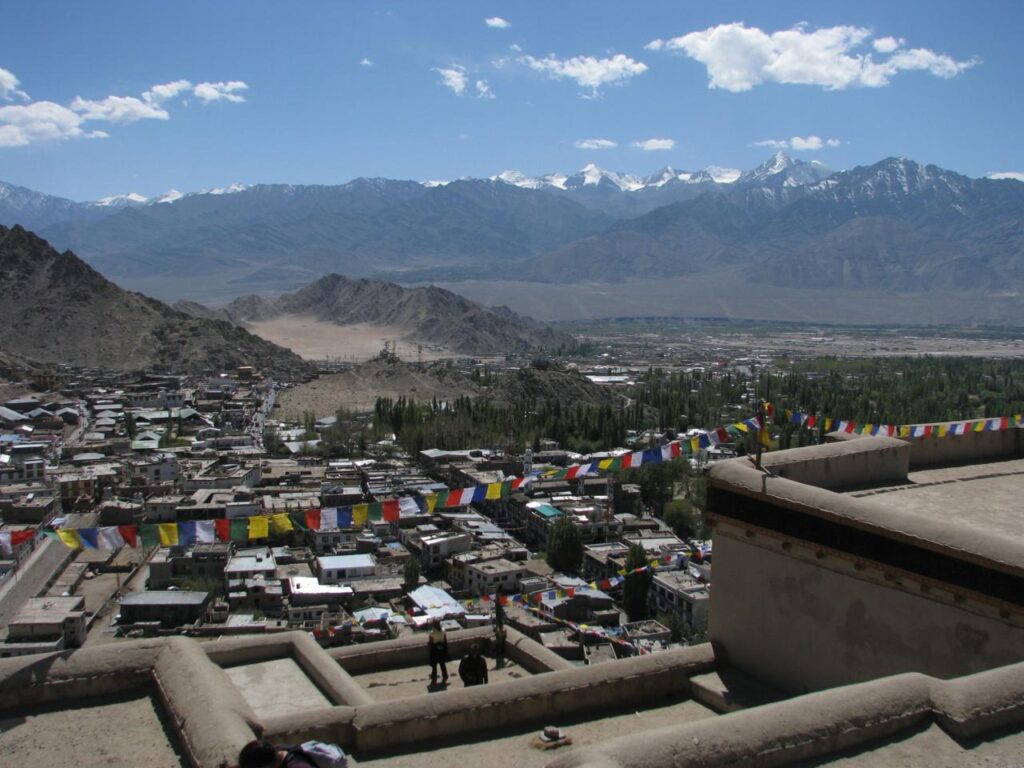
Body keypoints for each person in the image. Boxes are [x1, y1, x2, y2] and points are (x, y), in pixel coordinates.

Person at [428, 618, 449, 684]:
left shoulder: (432, 632)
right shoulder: (443, 630)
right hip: (442, 649)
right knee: (442, 664)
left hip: (434, 649)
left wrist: (429, 646)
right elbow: (445, 640)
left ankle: (434, 677)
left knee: (434, 664)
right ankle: (445, 676)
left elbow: (431, 642)